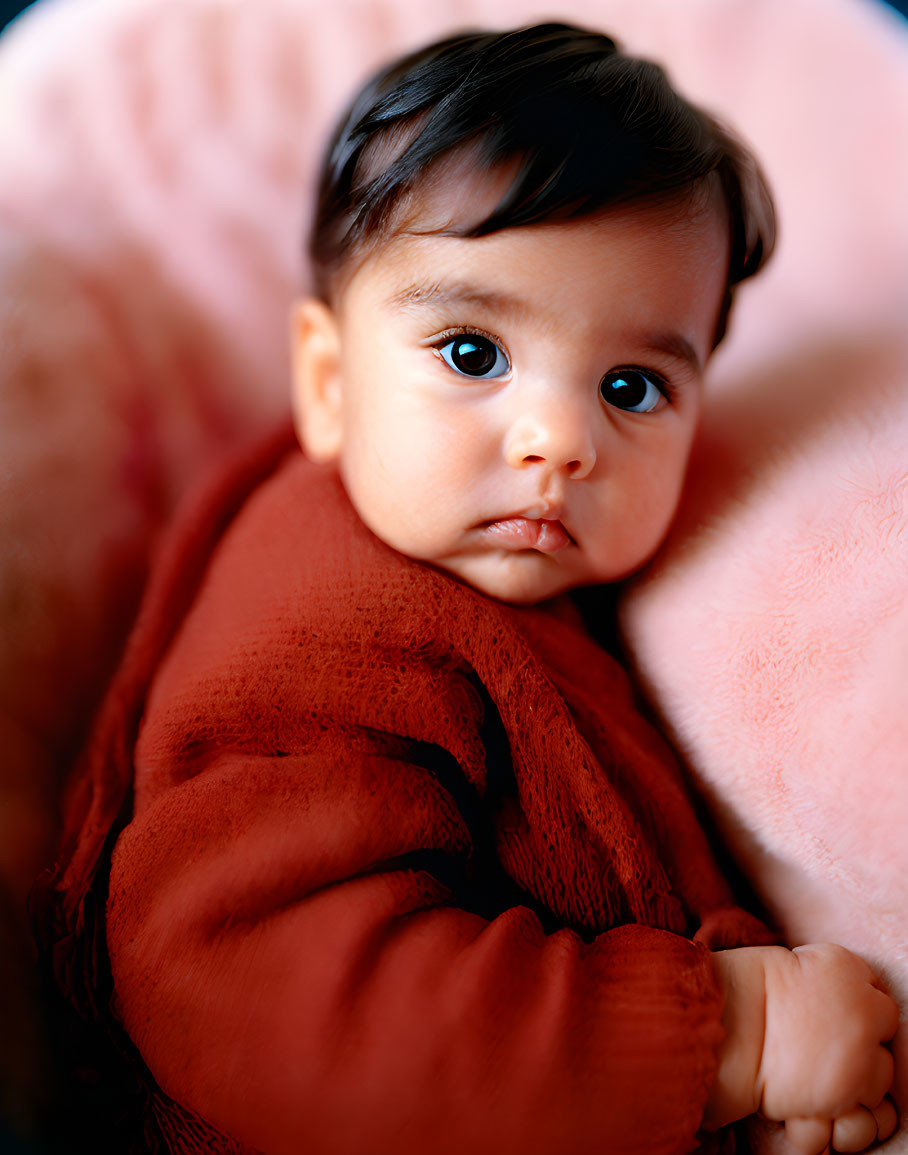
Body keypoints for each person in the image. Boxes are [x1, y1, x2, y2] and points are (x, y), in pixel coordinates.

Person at [33, 23, 898, 1155]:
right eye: (473, 353)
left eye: (631, 386)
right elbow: (256, 988)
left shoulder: (508, 585)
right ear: (329, 384)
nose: (558, 440)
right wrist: (725, 1037)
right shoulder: (322, 626)